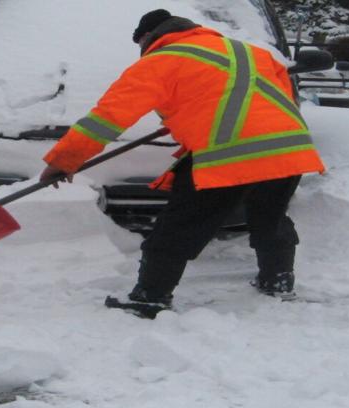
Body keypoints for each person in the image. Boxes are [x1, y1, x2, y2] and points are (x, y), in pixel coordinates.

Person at [40, 9, 326, 318]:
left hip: (229, 153)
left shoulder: (161, 60)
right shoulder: (250, 52)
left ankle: (149, 299)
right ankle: (278, 281)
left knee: (179, 225)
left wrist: (64, 160)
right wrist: (189, 111)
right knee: (271, 217)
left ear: (148, 37)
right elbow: (269, 99)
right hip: (289, 147)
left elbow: (106, 119)